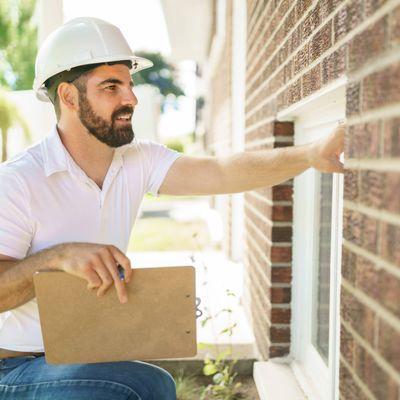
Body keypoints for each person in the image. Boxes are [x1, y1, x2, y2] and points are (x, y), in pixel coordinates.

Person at [0, 17, 344, 400]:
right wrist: (60, 257)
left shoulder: (137, 160)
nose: (130, 98)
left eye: (129, 85)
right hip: (13, 367)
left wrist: (312, 153)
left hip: (83, 356)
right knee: (126, 388)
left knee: (155, 384)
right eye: (110, 87)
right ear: (68, 96)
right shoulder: (18, 181)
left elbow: (220, 173)